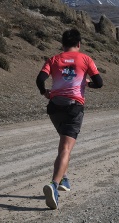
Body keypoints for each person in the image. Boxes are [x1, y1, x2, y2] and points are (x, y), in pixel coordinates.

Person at [36, 28, 103, 210]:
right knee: (66, 148)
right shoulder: (86, 59)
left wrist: (45, 92)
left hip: (54, 108)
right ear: (79, 44)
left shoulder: (54, 59)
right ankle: (54, 185)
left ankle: (65, 179)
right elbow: (99, 83)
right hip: (73, 107)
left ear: (63, 45)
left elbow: (40, 79)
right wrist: (85, 82)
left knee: (63, 146)